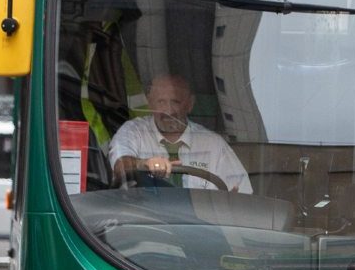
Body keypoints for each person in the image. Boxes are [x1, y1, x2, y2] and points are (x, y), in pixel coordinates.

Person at [108, 74, 252, 193]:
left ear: (190, 104)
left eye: (175, 102)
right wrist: (144, 164)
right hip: (147, 223)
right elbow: (121, 165)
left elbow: (243, 195)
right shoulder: (133, 131)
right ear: (150, 103)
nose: (169, 111)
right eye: (161, 102)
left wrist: (231, 203)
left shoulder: (213, 144)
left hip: (201, 225)